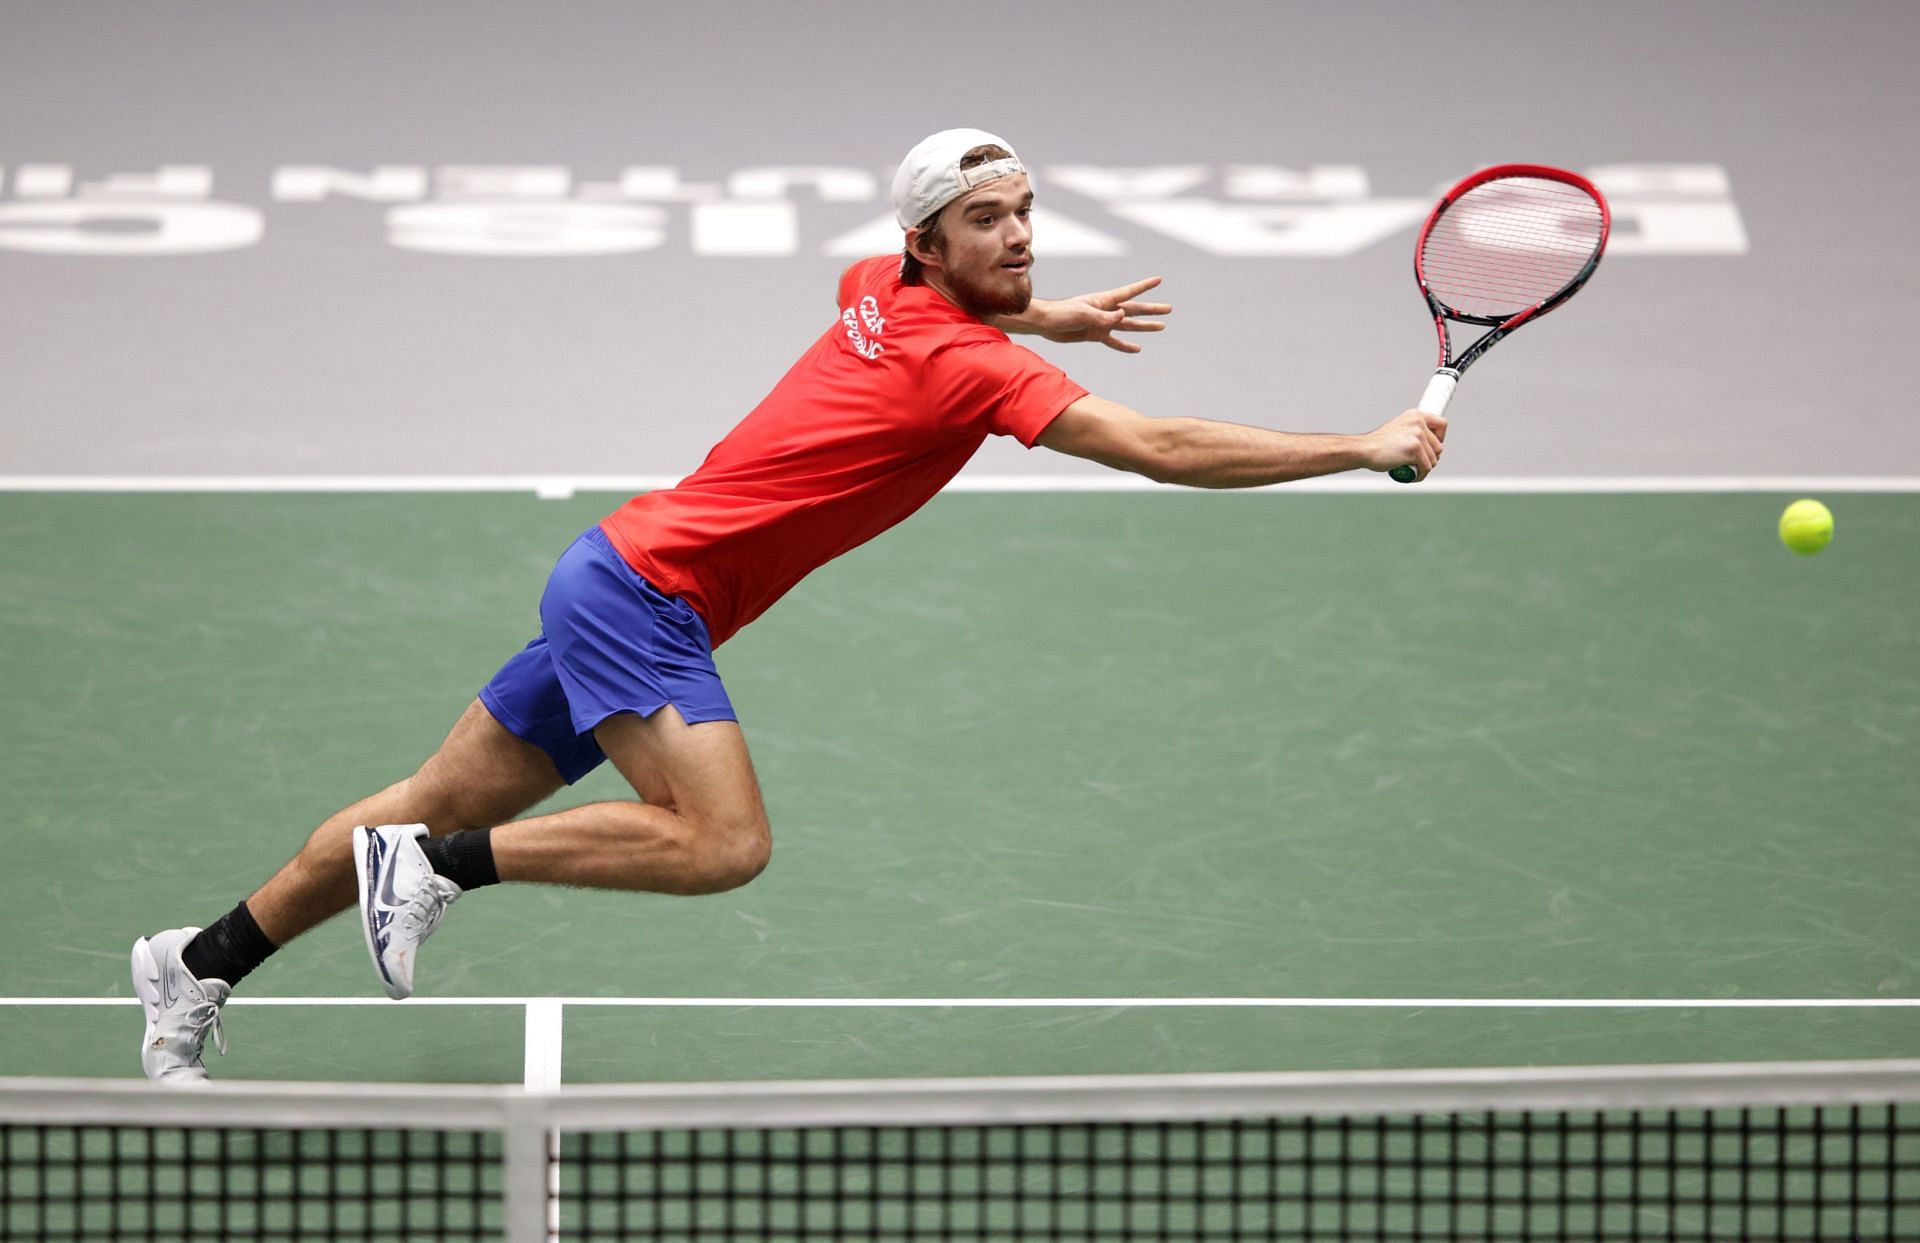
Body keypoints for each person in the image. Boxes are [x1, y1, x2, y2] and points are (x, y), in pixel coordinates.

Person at [131, 128, 1446, 1082]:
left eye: (1027, 210)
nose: (1022, 234)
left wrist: (1043, 316)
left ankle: (197, 961)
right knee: (718, 845)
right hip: (646, 599)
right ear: (930, 242)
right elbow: (1162, 450)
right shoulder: (965, 369)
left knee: (425, 790)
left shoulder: (879, 293)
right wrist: (1362, 443)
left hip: (616, 574)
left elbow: (929, 313)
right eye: (989, 221)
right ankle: (434, 871)